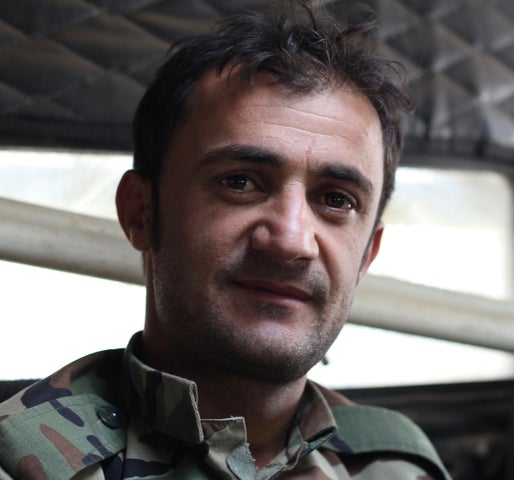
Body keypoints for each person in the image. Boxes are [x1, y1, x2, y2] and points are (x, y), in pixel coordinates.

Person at [0, 1, 451, 479]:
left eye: (336, 200)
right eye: (240, 182)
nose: (291, 240)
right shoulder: (21, 462)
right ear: (140, 213)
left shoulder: (396, 465)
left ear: (367, 255)